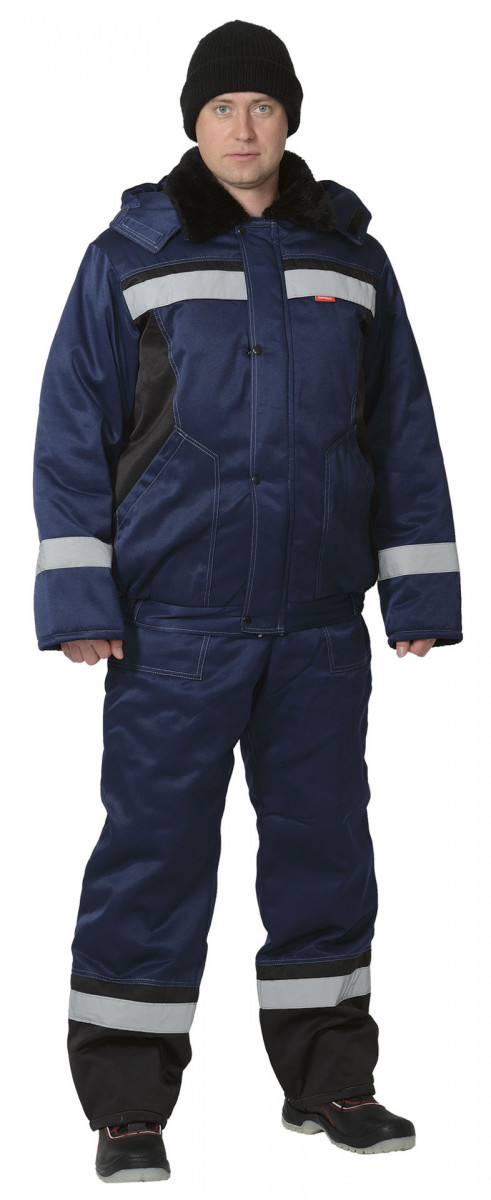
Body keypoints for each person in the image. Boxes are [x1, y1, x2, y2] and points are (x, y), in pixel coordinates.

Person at [32, 19, 463, 1183]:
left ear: (288, 118)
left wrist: (414, 589)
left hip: (318, 627)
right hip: (172, 624)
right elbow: (72, 430)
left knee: (325, 852)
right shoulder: (129, 254)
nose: (241, 127)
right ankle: (127, 1107)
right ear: (192, 121)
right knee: (154, 855)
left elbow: (400, 426)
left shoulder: (351, 259)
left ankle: (330, 1082)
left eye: (261, 106)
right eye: (220, 107)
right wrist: (80, 596)